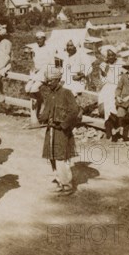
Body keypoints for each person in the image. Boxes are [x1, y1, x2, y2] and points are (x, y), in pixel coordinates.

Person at [38, 67, 82, 196]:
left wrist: (63, 125)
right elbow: (46, 111)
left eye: (51, 81)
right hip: (50, 130)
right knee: (51, 156)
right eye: (47, 82)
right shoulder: (50, 94)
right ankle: (59, 181)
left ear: (57, 80)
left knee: (61, 157)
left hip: (61, 131)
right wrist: (43, 118)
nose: (48, 84)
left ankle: (67, 185)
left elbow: (74, 111)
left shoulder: (66, 93)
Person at [25, 31, 56, 117]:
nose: (39, 41)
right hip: (35, 72)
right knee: (27, 89)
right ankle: (39, 102)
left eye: (41, 39)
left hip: (44, 71)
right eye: (37, 39)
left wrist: (49, 74)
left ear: (44, 39)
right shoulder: (34, 48)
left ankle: (41, 104)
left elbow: (52, 63)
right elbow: (33, 60)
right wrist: (32, 66)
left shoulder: (49, 48)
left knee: (34, 89)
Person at [97, 48, 124, 141]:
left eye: (112, 55)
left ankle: (114, 128)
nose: (111, 57)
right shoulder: (103, 65)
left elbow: (123, 78)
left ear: (115, 55)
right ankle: (111, 128)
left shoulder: (121, 64)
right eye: (109, 55)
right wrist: (104, 72)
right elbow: (103, 80)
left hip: (117, 87)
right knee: (105, 106)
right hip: (107, 87)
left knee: (113, 105)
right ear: (106, 56)